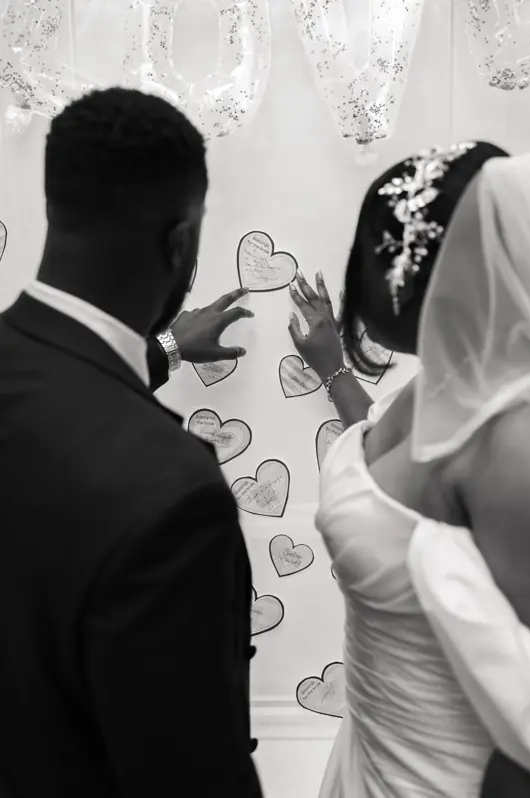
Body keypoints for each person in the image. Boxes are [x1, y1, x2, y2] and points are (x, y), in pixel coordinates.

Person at [0, 88, 263, 797]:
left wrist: (169, 349)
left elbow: (58, 392)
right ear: (181, 243)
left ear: (55, 207)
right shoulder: (173, 494)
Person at [288, 141, 530, 796]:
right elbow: (403, 475)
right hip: (367, 753)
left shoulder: (512, 444)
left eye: (380, 253)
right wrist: (332, 369)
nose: (368, 272)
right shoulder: (450, 385)